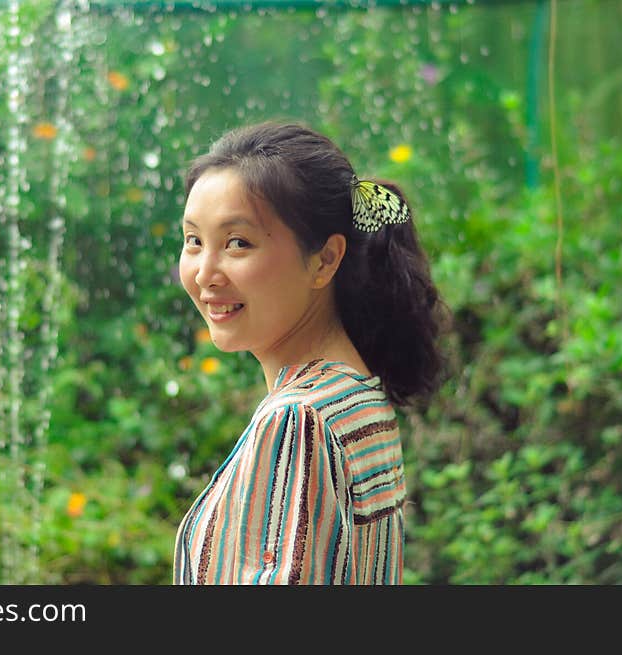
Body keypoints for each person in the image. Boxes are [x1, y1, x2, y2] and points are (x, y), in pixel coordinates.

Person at [172, 121, 447, 585]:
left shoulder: (298, 421)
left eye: (238, 243)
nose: (205, 273)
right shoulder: (357, 396)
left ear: (325, 260)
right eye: (195, 241)